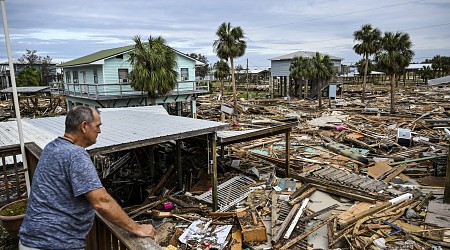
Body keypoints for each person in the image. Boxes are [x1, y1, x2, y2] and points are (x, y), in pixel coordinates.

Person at [19, 106, 154, 249]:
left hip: (31, 239)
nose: (100, 131)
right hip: (55, 243)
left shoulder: (51, 147)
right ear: (84, 126)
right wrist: (137, 228)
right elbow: (101, 202)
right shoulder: (75, 155)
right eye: (97, 126)